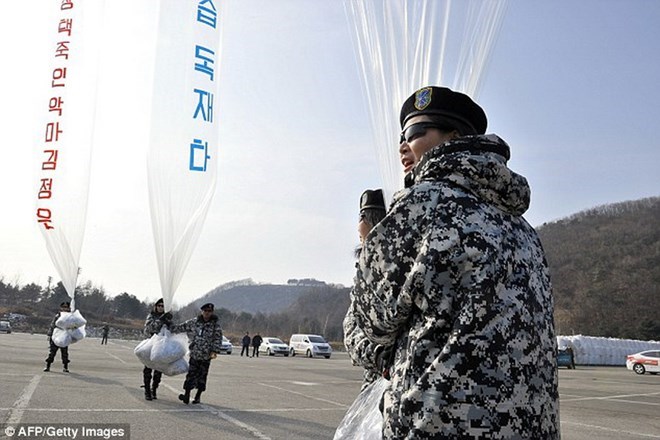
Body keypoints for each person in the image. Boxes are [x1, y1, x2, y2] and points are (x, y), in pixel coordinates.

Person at [349, 86, 559, 438]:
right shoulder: (524, 228)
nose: (402, 145)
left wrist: (369, 248)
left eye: (415, 132)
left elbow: (370, 322)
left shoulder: (423, 205)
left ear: (453, 137)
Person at [170, 303, 223, 405]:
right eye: (205, 311)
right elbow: (181, 327)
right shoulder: (195, 322)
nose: (207, 313)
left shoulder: (215, 325)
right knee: (191, 375)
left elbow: (218, 338)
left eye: (209, 311)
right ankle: (187, 394)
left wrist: (214, 351)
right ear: (201, 311)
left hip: (206, 355)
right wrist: (169, 325)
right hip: (195, 353)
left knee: (202, 376)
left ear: (211, 313)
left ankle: (198, 396)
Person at [142, 298, 168, 401]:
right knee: (148, 369)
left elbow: (171, 330)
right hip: (151, 345)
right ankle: (147, 391)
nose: (161, 308)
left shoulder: (167, 318)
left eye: (163, 306)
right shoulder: (151, 316)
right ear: (156, 306)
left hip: (161, 346)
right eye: (159, 306)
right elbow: (149, 328)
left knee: (158, 370)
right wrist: (161, 319)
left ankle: (154, 389)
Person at [44, 301, 72, 373]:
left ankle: (65, 367)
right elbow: (52, 325)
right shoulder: (57, 316)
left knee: (64, 353)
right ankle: (48, 366)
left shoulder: (70, 317)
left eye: (66, 307)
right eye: (63, 307)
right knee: (52, 352)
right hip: (56, 336)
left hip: (64, 337)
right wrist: (50, 335)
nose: (64, 309)